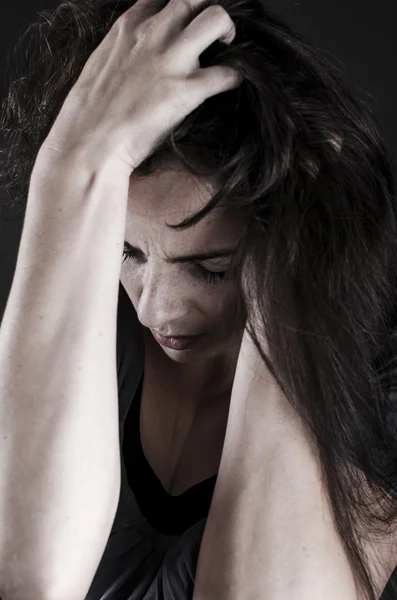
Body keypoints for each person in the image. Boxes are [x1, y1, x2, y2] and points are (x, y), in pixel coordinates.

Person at [0, 0, 397, 598]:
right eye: (126, 253)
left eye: (211, 268)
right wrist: (75, 163)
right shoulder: (74, 326)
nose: (156, 310)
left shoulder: (378, 391)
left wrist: (303, 254)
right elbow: (25, 577)